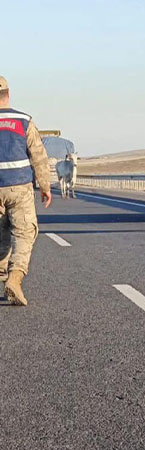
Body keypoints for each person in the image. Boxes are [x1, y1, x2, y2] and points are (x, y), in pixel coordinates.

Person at [0, 76, 53, 305]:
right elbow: (38, 156)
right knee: (23, 234)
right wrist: (45, 186)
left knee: (0, 234)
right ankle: (15, 277)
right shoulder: (24, 121)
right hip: (19, 187)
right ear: (8, 95)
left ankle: (3, 273)